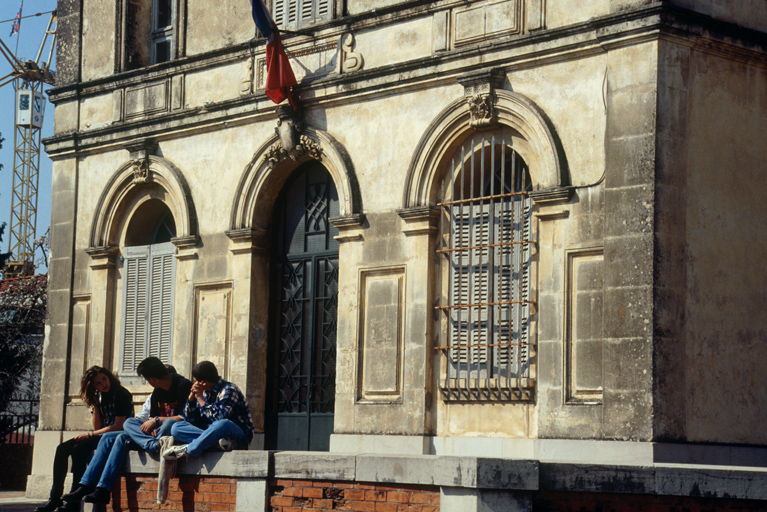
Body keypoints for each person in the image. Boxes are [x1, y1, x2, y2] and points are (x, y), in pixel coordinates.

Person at [61, 358, 191, 506]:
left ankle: (151, 445)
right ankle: (93, 487)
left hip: (172, 432)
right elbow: (151, 417)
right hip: (155, 436)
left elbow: (186, 417)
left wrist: (156, 421)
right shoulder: (157, 391)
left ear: (152, 379)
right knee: (118, 431)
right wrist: (153, 425)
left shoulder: (183, 386)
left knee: (167, 422)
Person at [35, 366, 133, 512]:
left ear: (109, 377)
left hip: (116, 435)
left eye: (104, 379)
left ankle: (73, 503)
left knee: (79, 448)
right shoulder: (101, 395)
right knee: (62, 448)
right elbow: (98, 426)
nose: (103, 385)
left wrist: (89, 435)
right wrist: (96, 406)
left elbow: (118, 426)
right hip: (102, 433)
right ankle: (54, 498)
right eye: (98, 383)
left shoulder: (121, 393)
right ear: (93, 386)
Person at [162, 361, 254, 460]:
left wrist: (201, 399)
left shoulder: (229, 390)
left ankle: (188, 449)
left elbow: (219, 418)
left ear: (203, 383)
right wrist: (191, 400)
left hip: (237, 437)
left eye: (195, 381)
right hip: (216, 436)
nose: (194, 384)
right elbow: (191, 420)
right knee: (176, 427)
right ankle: (217, 444)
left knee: (223, 424)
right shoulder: (205, 392)